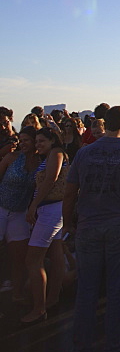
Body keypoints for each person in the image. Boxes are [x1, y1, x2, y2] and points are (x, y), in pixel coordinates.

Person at [63, 106, 120, 352]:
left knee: (86, 291)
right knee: (117, 290)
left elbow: (69, 192)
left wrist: (69, 224)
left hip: (88, 225)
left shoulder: (85, 153)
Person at [22, 127, 68, 323]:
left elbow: (51, 180)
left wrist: (33, 205)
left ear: (52, 141)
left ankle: (39, 309)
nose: (38, 144)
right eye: (37, 141)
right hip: (53, 209)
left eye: (42, 141)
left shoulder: (56, 153)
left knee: (33, 259)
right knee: (55, 253)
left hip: (50, 210)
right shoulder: (49, 155)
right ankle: (52, 298)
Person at [0, 127, 41, 302]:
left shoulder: (41, 162)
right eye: (20, 140)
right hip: (1, 208)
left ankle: (16, 294)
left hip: (20, 214)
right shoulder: (11, 158)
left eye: (26, 140)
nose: (22, 144)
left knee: (18, 258)